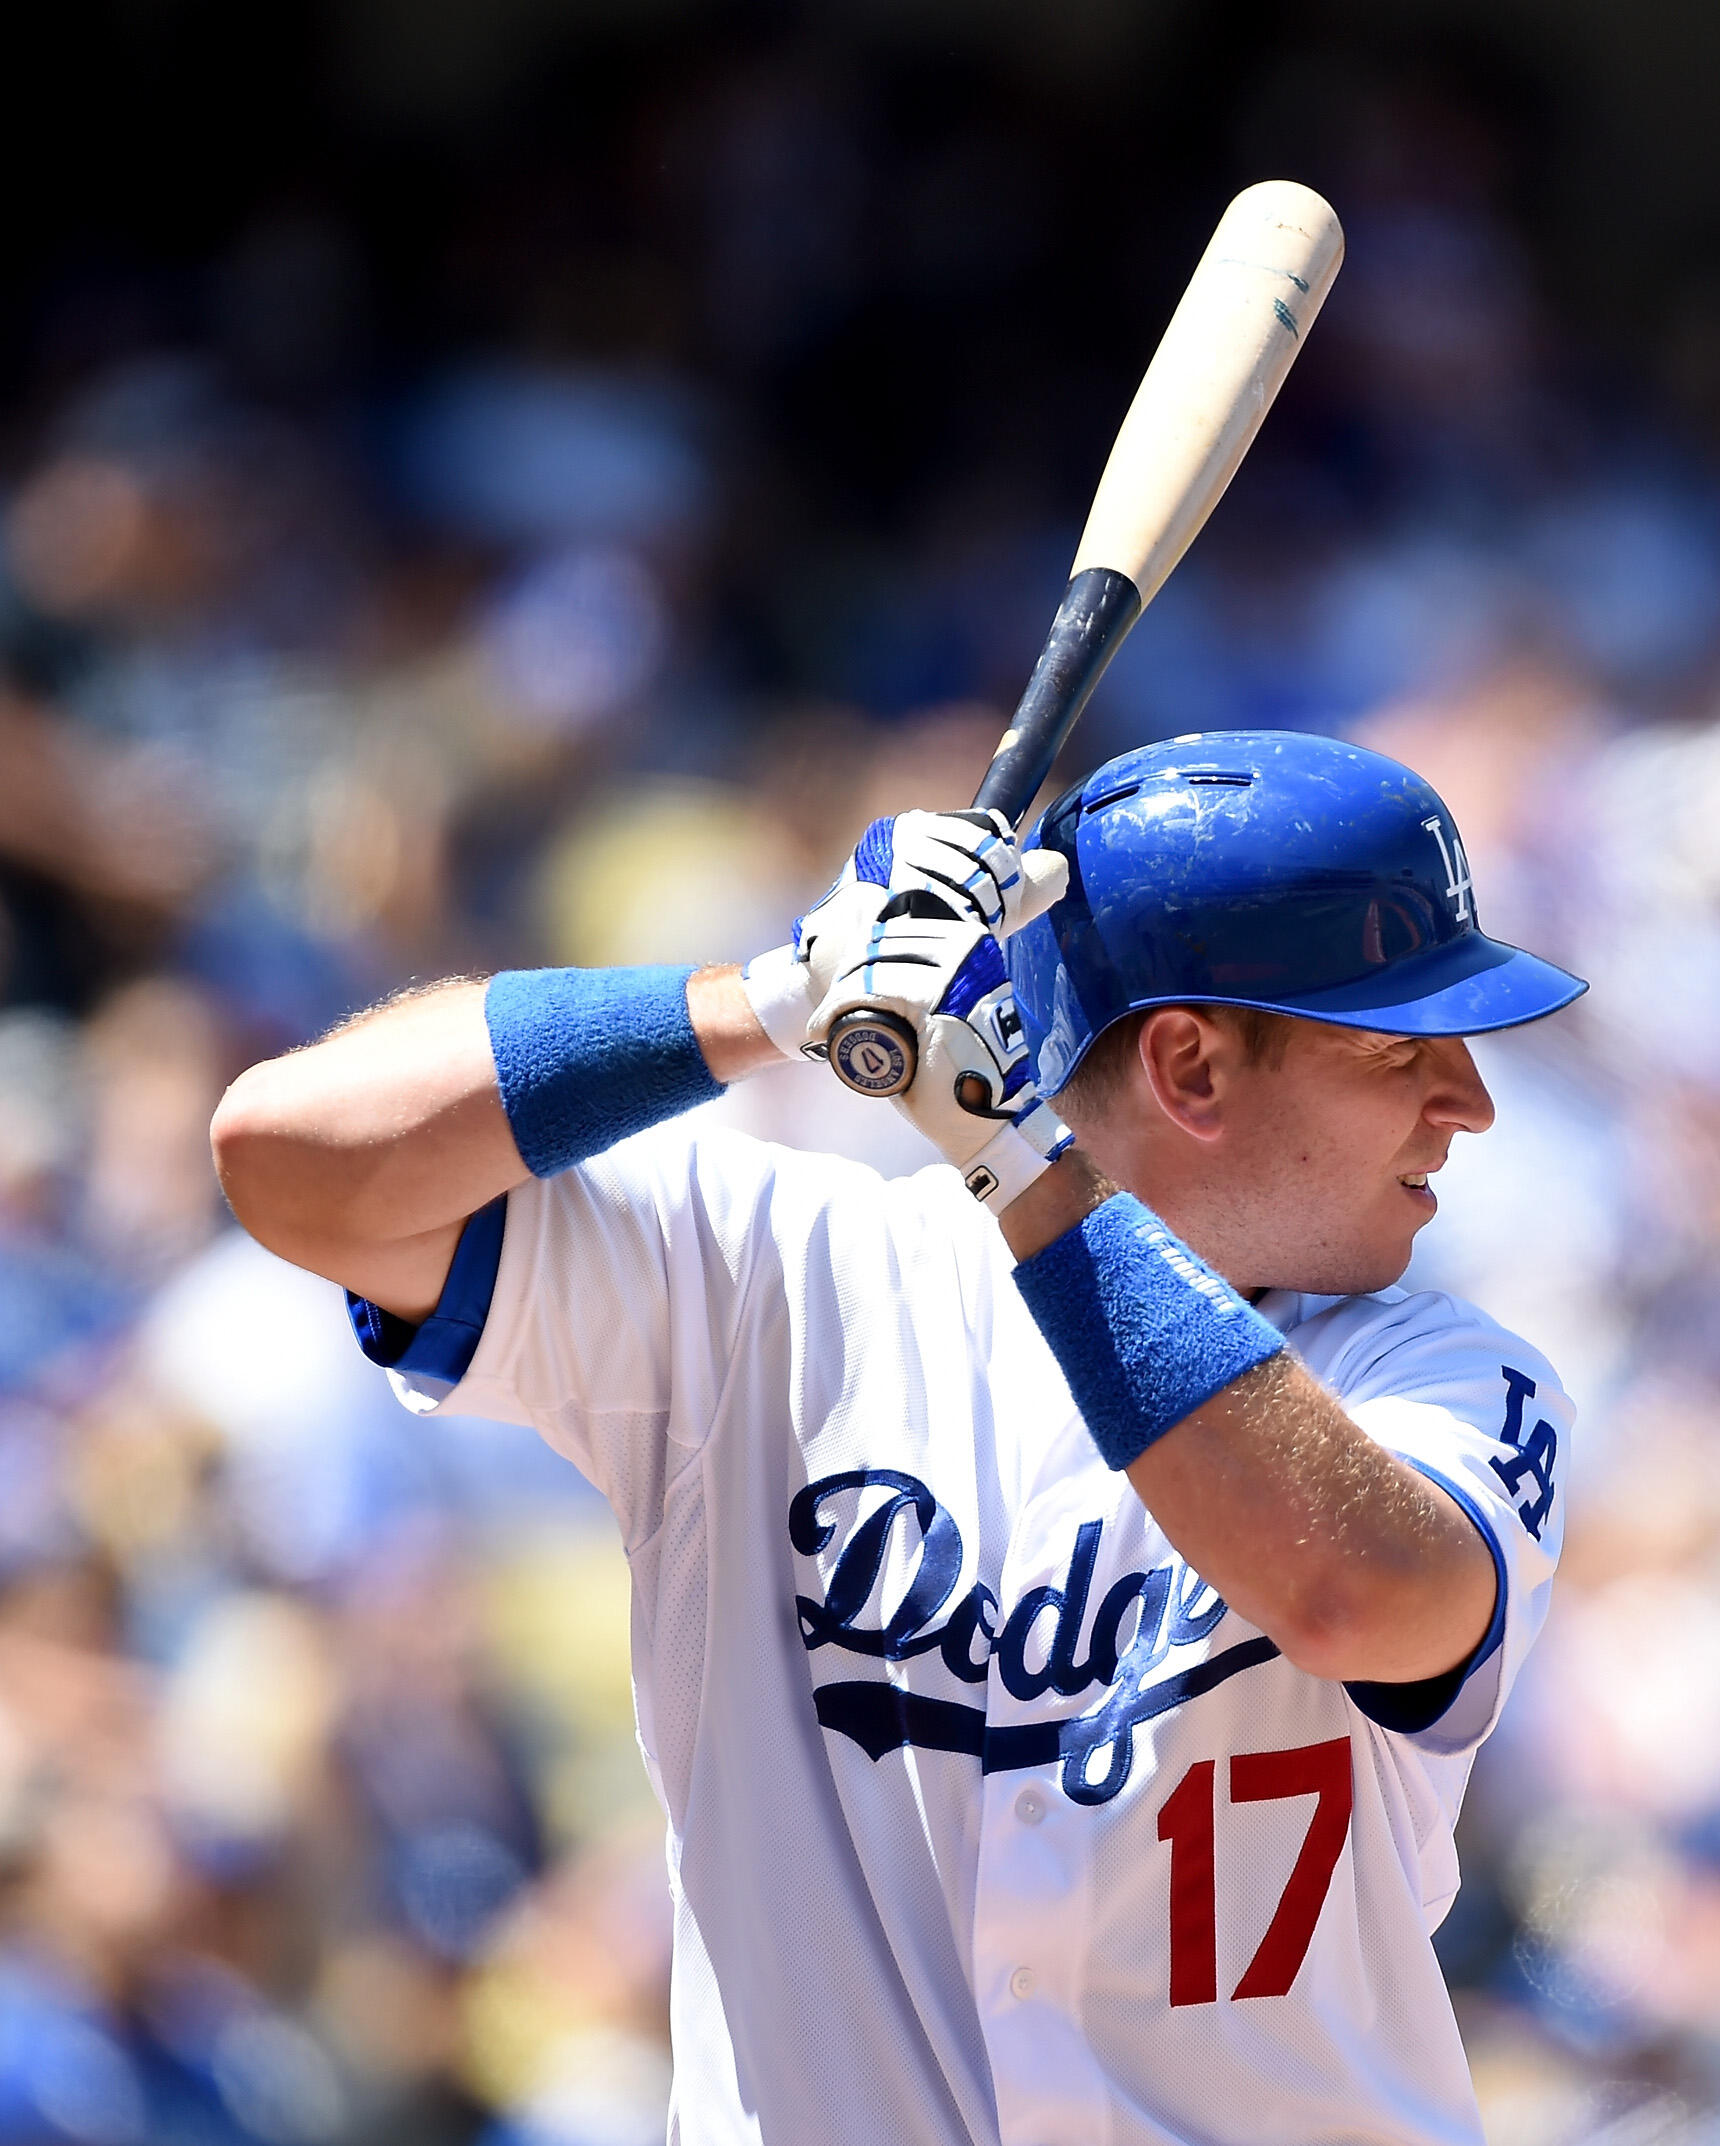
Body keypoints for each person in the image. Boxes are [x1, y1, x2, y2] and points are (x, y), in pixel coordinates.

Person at [210, 729, 1585, 2146]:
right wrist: (765, 998)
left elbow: (1360, 1591)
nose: (1468, 1102)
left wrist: (1017, 1159)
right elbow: (291, 1157)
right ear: (1191, 1064)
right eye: (1401, 1047)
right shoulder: (774, 1280)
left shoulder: (1440, 1373)